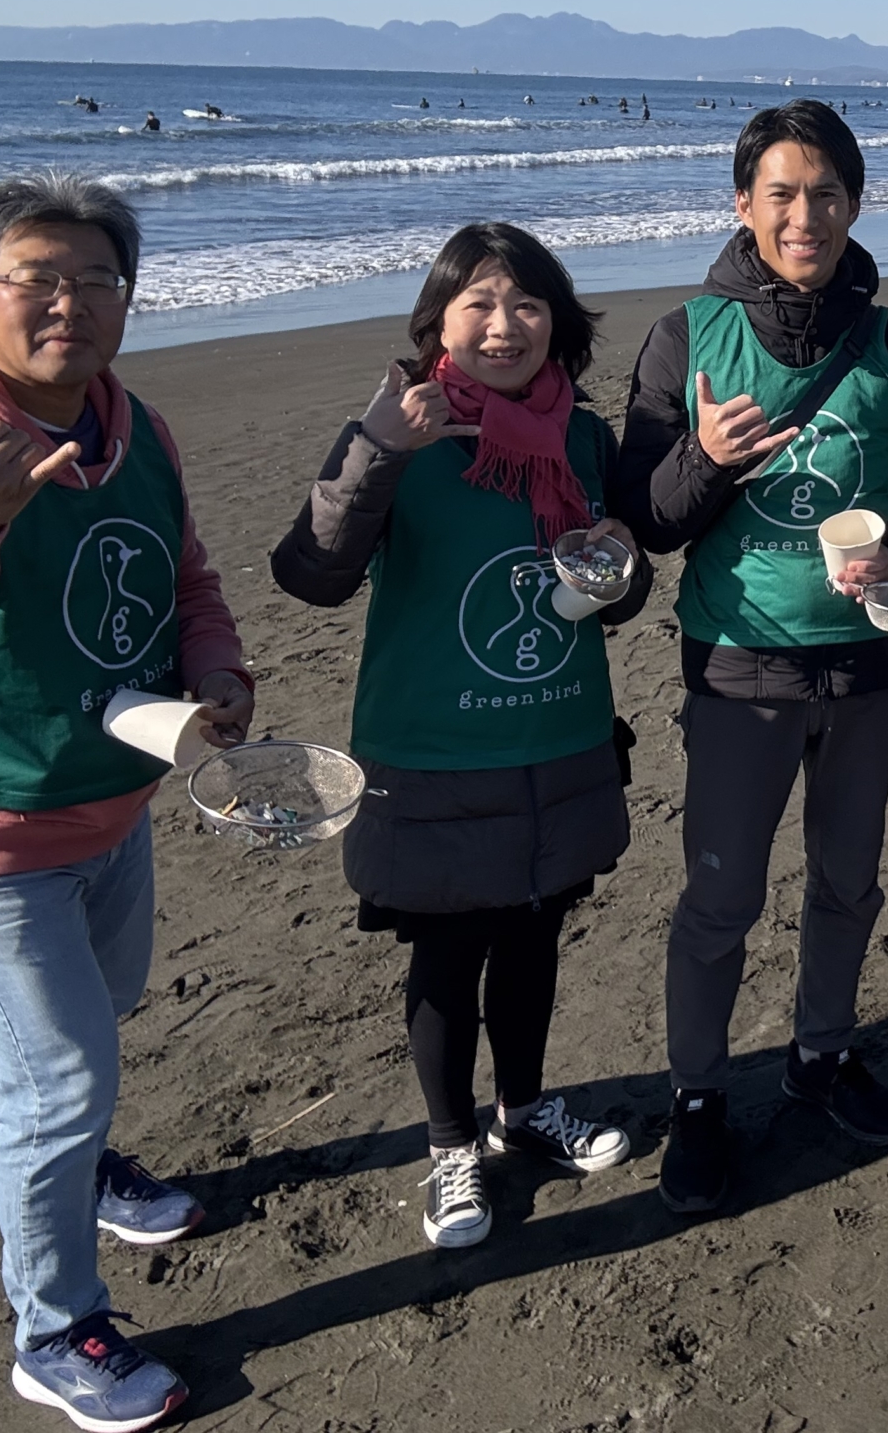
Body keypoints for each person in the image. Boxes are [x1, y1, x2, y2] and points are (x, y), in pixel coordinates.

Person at [0, 174, 254, 1432]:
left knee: (106, 1010)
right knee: (58, 1080)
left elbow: (184, 573)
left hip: (111, 792)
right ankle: (53, 1328)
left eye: (96, 280)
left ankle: (80, 1177)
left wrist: (219, 666)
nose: (69, 303)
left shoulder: (134, 426)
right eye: (37, 279)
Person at [616, 98, 888, 1215]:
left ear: (856, 205)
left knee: (848, 881)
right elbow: (649, 521)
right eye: (781, 193)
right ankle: (700, 1100)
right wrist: (706, 459)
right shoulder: (687, 334)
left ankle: (821, 1056)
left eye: (825, 193)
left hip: (867, 662)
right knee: (720, 897)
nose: (804, 213)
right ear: (742, 206)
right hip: (740, 662)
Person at [271, 223, 649, 1252]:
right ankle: (449, 1146)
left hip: (556, 735)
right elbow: (311, 574)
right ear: (437, 320)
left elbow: (613, 594)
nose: (504, 324)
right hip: (432, 746)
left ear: (558, 324)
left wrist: (619, 559)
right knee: (446, 953)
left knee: (533, 936)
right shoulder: (403, 431)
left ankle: (523, 1114)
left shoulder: (583, 436)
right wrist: (379, 448)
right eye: (478, 302)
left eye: (526, 304)